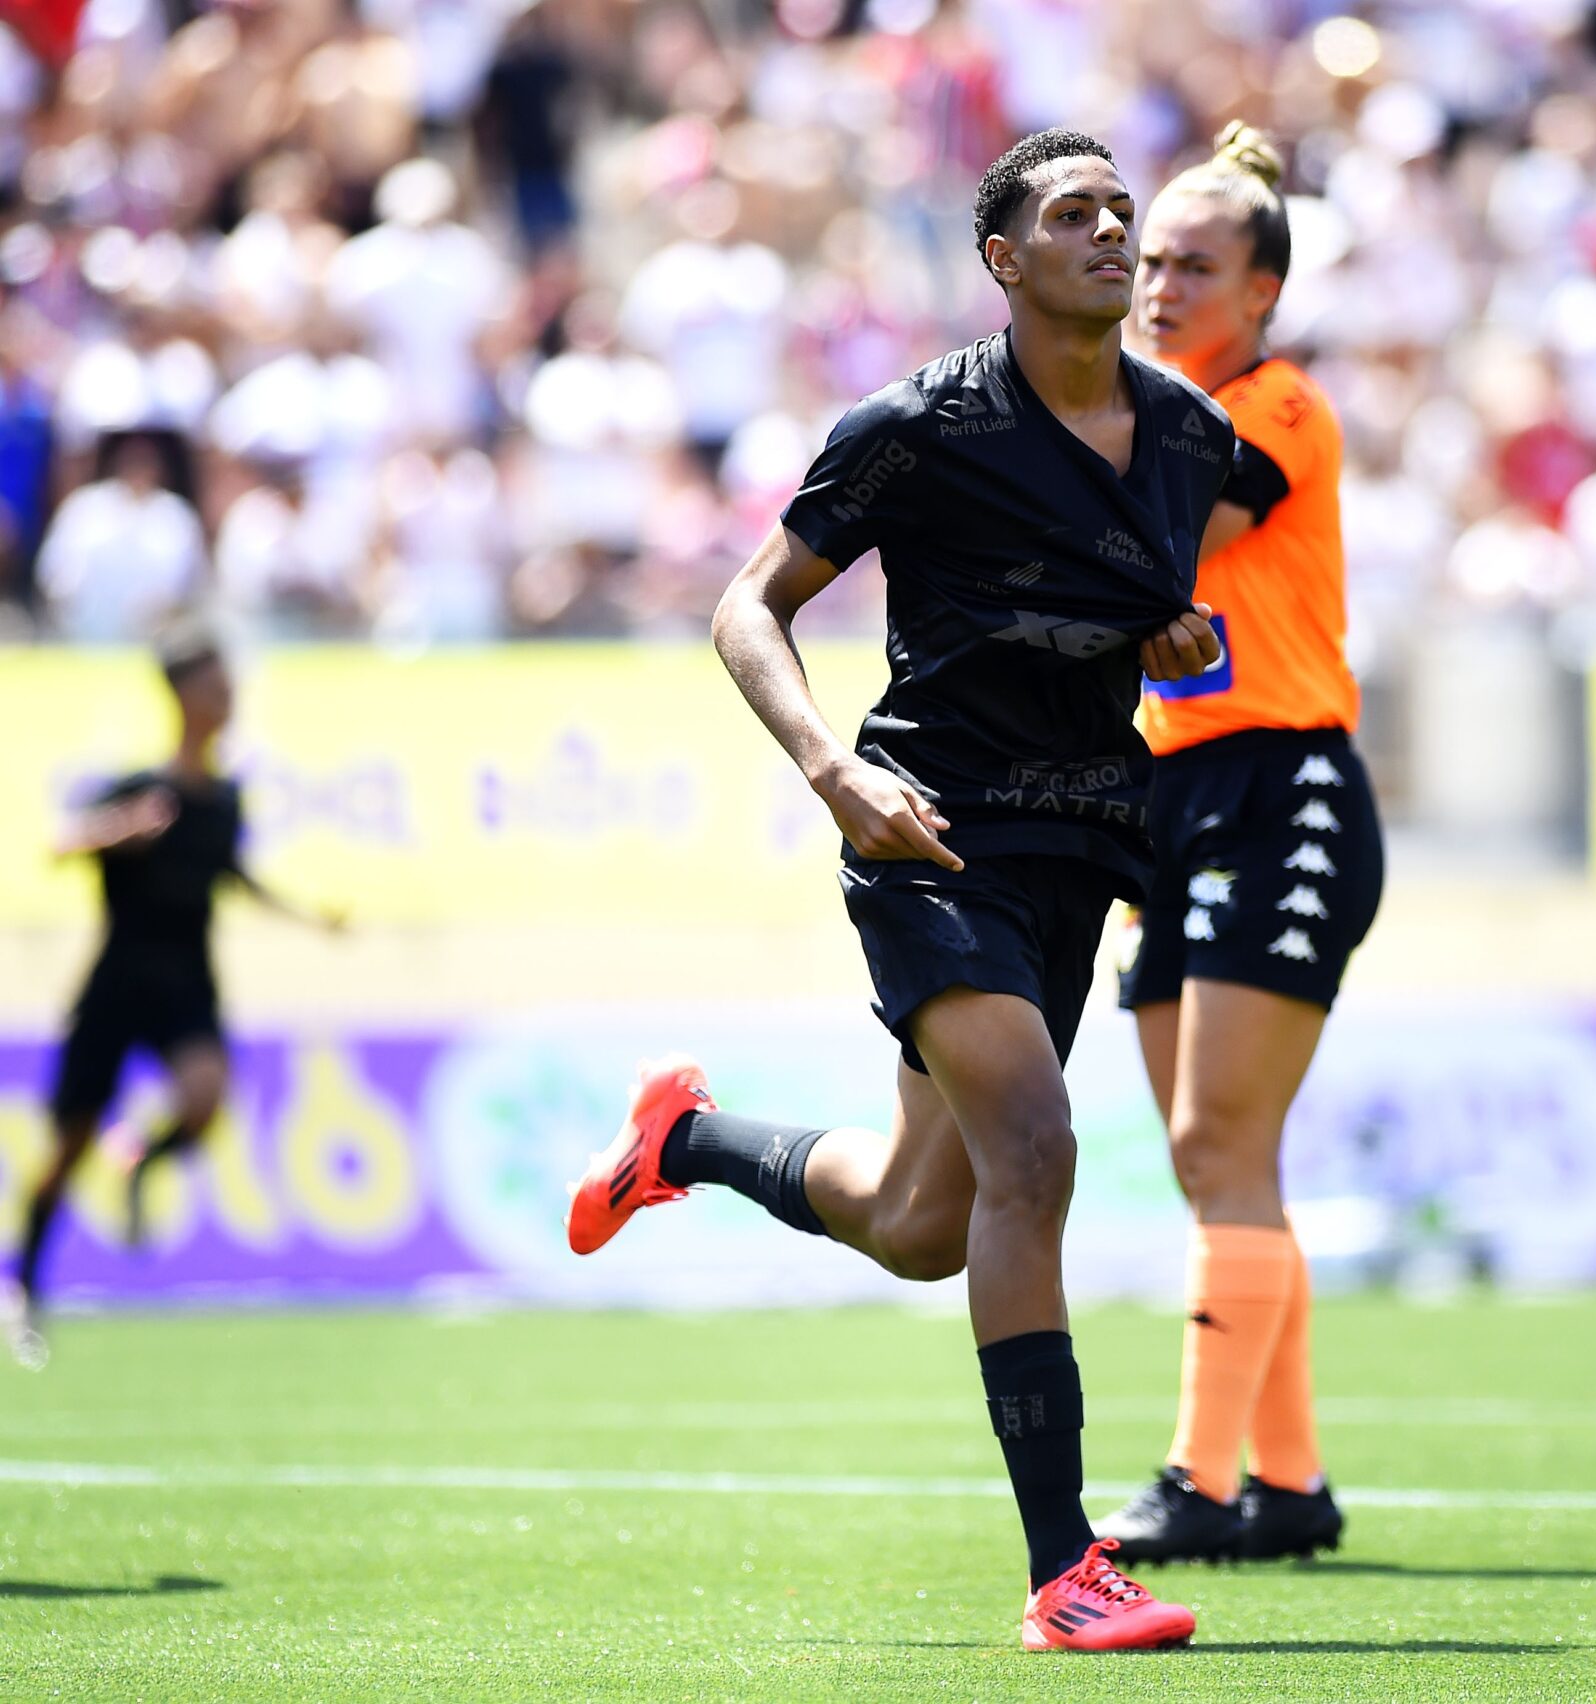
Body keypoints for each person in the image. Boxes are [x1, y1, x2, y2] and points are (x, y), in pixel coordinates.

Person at [562, 129, 1235, 1654]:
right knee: (1035, 1150)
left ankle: (686, 1139)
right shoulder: (918, 425)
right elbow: (749, 608)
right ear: (1002, 259)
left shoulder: (1188, 435)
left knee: (928, 1222)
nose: (1112, 232)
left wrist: (1176, 638)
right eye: (1074, 214)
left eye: (1122, 210)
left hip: (1082, 843)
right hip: (927, 831)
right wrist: (832, 772)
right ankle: (1066, 1571)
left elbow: (1143, 617)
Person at [1092, 125, 1384, 1563]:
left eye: (1194, 268)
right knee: (1218, 1162)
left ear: (1260, 293)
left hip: (1282, 787)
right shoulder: (1152, 415)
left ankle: (1201, 1485)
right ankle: (1288, 1481)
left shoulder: (1274, 407)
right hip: (1175, 797)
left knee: (1219, 1141)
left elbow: (1165, 545)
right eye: (1149, 262)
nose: (1158, 286)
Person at [5, 629, 343, 1370]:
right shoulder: (137, 791)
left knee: (205, 1095)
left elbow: (236, 877)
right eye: (218, 687)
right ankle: (24, 1286)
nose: (229, 699)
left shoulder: (223, 801)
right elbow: (60, 844)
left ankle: (140, 1159)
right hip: (119, 982)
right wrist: (119, 833)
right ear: (184, 697)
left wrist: (309, 918)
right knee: (66, 1150)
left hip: (188, 981)